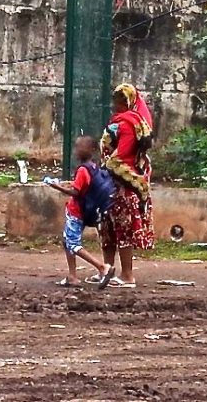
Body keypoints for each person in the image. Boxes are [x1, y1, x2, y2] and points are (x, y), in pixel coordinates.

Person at [86, 83, 155, 288]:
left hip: (122, 185)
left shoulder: (128, 125)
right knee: (107, 229)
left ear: (130, 102)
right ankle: (107, 270)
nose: (116, 104)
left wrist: (103, 171)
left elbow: (122, 157)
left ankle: (127, 275)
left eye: (121, 101)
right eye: (116, 100)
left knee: (123, 229)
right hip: (110, 184)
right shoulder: (120, 122)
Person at [46, 135, 116, 289]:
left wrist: (56, 186)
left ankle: (102, 268)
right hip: (85, 212)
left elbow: (76, 192)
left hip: (76, 212)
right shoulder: (94, 167)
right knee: (67, 241)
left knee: (72, 243)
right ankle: (72, 276)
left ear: (91, 150)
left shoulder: (83, 169)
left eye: (80, 147)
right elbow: (82, 186)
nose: (76, 150)